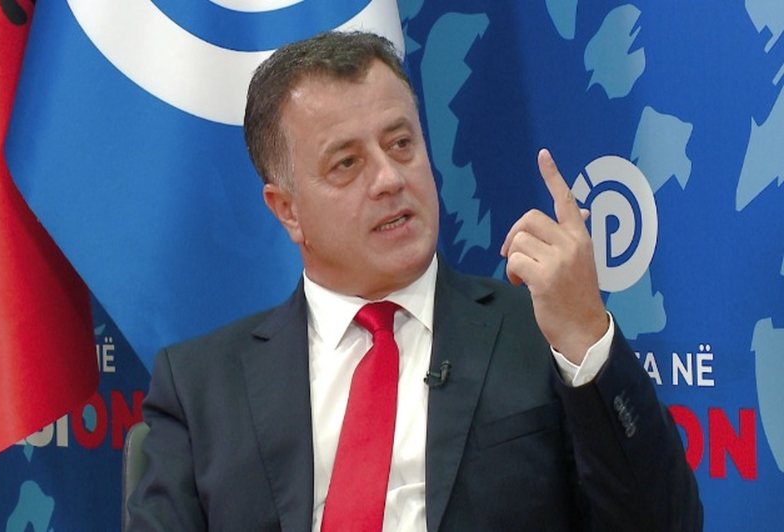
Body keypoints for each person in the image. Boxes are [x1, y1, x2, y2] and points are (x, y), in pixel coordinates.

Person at [127, 31, 702, 531]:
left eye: (401, 143)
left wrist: (585, 334)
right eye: (347, 163)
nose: (388, 178)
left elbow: (664, 522)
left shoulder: (539, 337)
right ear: (288, 210)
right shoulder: (201, 387)